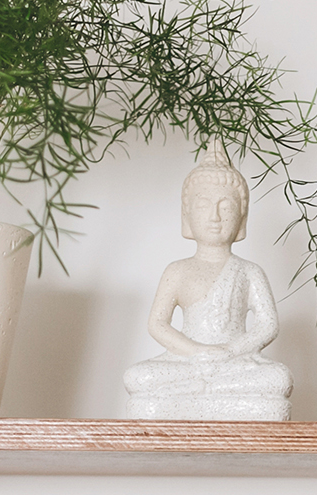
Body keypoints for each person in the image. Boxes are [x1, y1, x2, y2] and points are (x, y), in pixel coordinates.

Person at [123, 142, 293, 420]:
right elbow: (157, 324)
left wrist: (229, 351)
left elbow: (267, 325)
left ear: (242, 216)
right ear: (186, 214)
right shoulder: (177, 270)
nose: (215, 217)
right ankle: (203, 389)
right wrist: (196, 352)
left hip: (234, 362)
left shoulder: (249, 271)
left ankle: (202, 390)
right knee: (139, 377)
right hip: (188, 361)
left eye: (226, 207)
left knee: (277, 379)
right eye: (203, 205)